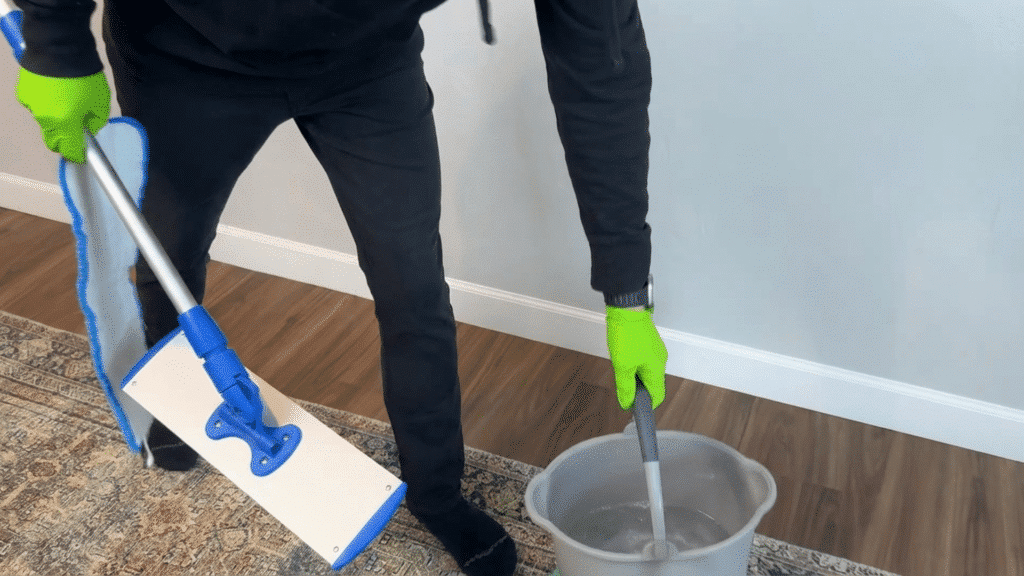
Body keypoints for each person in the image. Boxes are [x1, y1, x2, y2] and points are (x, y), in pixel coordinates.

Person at [13, 0, 668, 574]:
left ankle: (437, 491)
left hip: (366, 69)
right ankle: (175, 410)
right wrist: (56, 39)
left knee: (413, 284)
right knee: (169, 256)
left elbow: (601, 72)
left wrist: (626, 291)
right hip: (183, 57)